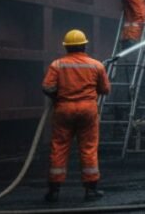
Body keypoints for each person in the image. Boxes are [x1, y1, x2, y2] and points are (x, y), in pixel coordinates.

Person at [42, 29, 110, 203]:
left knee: (59, 147)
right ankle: (91, 190)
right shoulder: (96, 65)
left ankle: (54, 191)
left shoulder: (57, 65)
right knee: (88, 148)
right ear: (84, 45)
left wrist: (59, 96)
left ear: (66, 47)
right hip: (88, 110)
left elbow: (47, 87)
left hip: (63, 110)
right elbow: (105, 90)